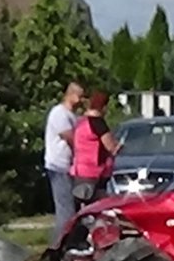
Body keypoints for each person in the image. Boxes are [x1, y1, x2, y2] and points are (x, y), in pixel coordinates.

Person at [44, 81, 83, 241]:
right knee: (65, 211)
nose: (81, 100)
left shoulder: (72, 115)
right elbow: (70, 138)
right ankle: (58, 244)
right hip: (58, 166)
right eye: (79, 96)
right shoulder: (59, 113)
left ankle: (69, 241)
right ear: (71, 95)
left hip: (68, 166)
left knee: (72, 209)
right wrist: (83, 151)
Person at [70, 90, 120, 206]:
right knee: (99, 205)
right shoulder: (98, 123)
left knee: (83, 205)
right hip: (95, 171)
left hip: (79, 170)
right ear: (103, 107)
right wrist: (120, 146)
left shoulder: (81, 122)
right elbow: (111, 147)